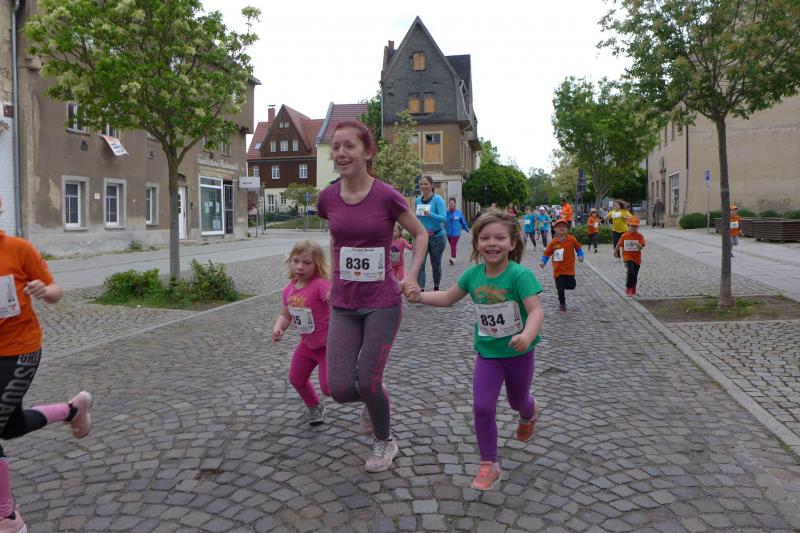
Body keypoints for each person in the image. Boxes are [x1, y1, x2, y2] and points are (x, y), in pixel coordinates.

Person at [405, 210, 544, 491]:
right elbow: (447, 297)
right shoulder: (472, 275)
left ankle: (529, 412)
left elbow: (536, 311)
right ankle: (489, 464)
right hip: (488, 355)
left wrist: (527, 335)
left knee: (517, 401)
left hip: (518, 354)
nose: (492, 243)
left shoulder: (520, 276)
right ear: (477, 243)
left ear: (512, 243)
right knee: (482, 407)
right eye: (485, 238)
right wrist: (420, 297)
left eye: (499, 238)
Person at [317, 120, 427, 473]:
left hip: (382, 301)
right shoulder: (327, 198)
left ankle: (384, 440)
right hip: (344, 304)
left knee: (367, 380)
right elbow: (335, 239)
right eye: (336, 147)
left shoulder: (386, 195)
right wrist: (331, 278)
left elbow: (420, 233)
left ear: (368, 152)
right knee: (338, 388)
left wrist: (411, 274)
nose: (341, 153)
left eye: (349, 146)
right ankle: (375, 397)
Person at [0, 196, 93, 533]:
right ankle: (73, 410)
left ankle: (7, 517)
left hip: (20, 350)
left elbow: (56, 290)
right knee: (9, 427)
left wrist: (43, 290)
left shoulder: (18, 249)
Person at [272, 240, 332, 426]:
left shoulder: (320, 285)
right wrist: (279, 327)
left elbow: (334, 300)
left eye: (307, 263)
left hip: (328, 346)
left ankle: (369, 394)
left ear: (317, 265)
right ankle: (314, 406)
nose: (300, 266)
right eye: (296, 261)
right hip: (307, 345)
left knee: (329, 388)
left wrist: (333, 295)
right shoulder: (288, 290)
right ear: (290, 261)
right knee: (296, 378)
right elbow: (285, 314)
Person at [540, 218, 584, 312]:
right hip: (558, 270)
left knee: (572, 286)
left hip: (569, 269)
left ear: (567, 229)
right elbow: (547, 253)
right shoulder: (553, 242)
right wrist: (543, 262)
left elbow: (579, 248)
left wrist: (580, 256)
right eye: (559, 226)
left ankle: (562, 285)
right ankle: (562, 303)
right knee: (560, 288)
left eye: (564, 226)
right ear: (555, 229)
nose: (562, 228)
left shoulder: (571, 239)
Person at [415, 175, 447, 291]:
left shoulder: (438, 200)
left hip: (437, 237)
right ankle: (421, 290)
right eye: (421, 184)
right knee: (420, 264)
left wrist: (430, 214)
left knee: (435, 265)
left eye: (426, 184)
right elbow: (417, 219)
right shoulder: (417, 200)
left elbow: (444, 218)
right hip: (422, 238)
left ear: (432, 185)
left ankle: (436, 288)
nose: (423, 186)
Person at [614, 216, 646, 296]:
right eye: (632, 225)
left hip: (637, 258)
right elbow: (619, 244)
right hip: (627, 257)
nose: (633, 227)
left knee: (634, 274)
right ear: (628, 226)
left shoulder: (640, 236)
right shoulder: (624, 235)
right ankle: (628, 288)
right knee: (631, 272)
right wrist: (615, 252)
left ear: (638, 227)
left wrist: (637, 244)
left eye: (635, 226)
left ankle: (633, 287)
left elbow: (641, 247)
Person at [445, 198, 470, 265]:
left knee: (453, 245)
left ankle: (453, 258)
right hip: (448, 233)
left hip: (456, 233)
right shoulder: (446, 213)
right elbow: (443, 222)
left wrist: (466, 228)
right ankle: (454, 254)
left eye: (452, 203)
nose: (451, 204)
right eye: (450, 203)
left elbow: (463, 221)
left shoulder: (459, 213)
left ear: (455, 204)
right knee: (452, 245)